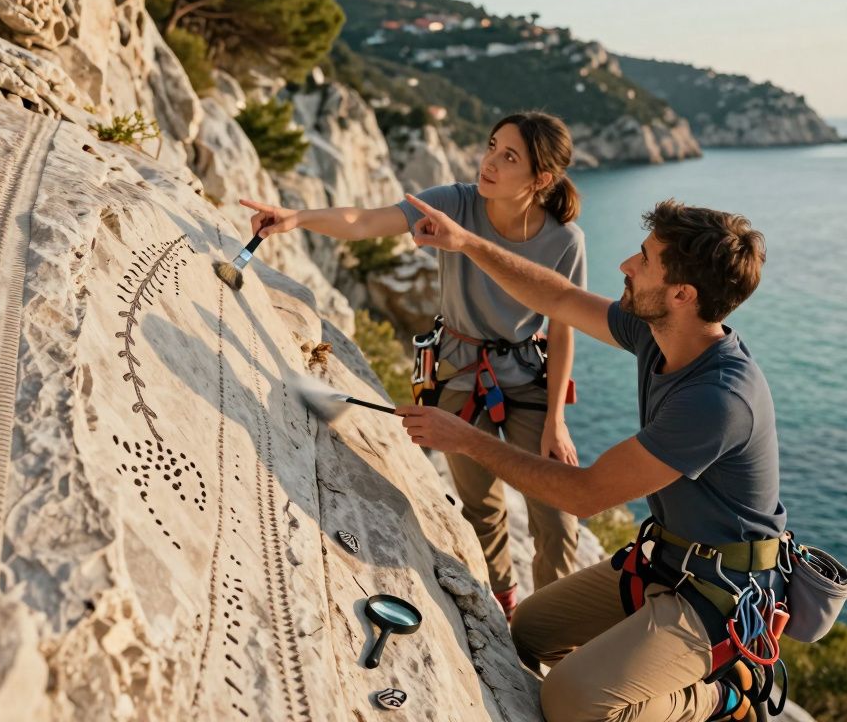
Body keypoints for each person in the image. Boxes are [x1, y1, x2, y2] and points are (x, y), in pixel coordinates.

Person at [396, 194, 787, 722]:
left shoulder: (718, 399)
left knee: (572, 702)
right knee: (528, 634)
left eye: (644, 260)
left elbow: (584, 495)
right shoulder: (660, 333)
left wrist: (465, 438)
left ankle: (726, 697)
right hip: (667, 562)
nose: (626, 265)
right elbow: (558, 297)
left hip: (718, 596)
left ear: (682, 294)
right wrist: (465, 242)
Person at [240, 112, 588, 616]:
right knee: (482, 510)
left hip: (526, 377)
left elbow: (563, 329)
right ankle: (506, 610)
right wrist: (298, 217)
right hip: (458, 373)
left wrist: (556, 419)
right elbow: (368, 220)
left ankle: (556, 634)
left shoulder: (564, 241)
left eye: (509, 157)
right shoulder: (456, 202)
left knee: (556, 517)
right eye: (492, 146)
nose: (489, 161)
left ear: (541, 180)